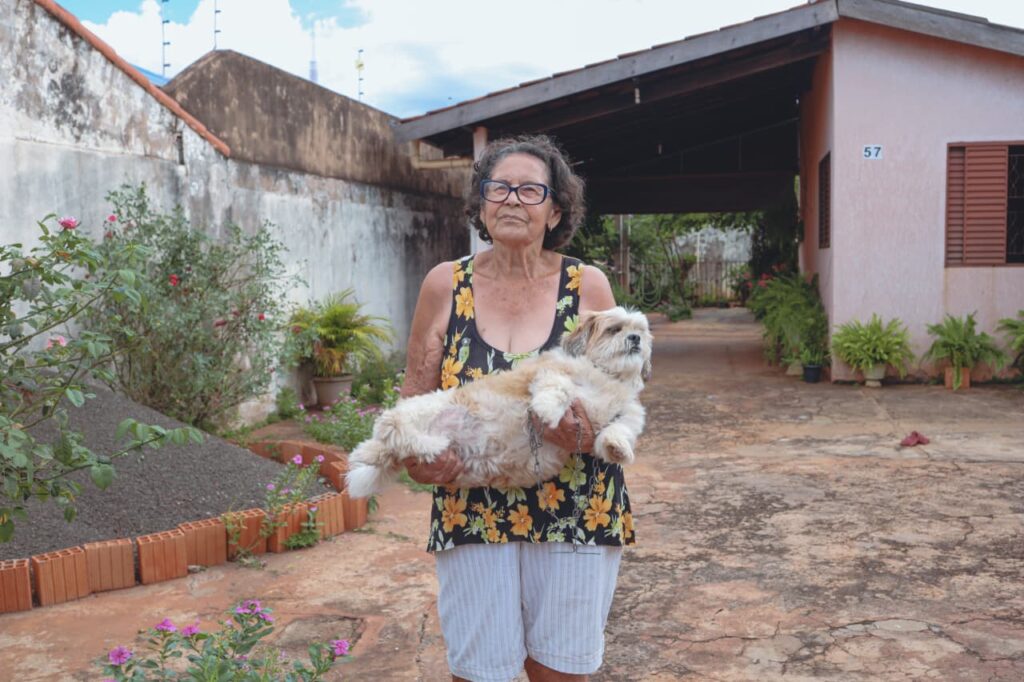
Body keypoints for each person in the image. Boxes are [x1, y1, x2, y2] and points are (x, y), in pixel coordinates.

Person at [400, 134, 635, 682]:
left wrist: (587, 431)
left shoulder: (587, 287)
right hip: (471, 502)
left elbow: (620, 395)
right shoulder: (445, 283)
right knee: (480, 671)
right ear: (481, 204)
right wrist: (416, 459)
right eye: (499, 187)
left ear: (555, 209)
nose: (512, 199)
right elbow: (414, 393)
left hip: (576, 504)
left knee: (560, 671)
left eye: (531, 190)